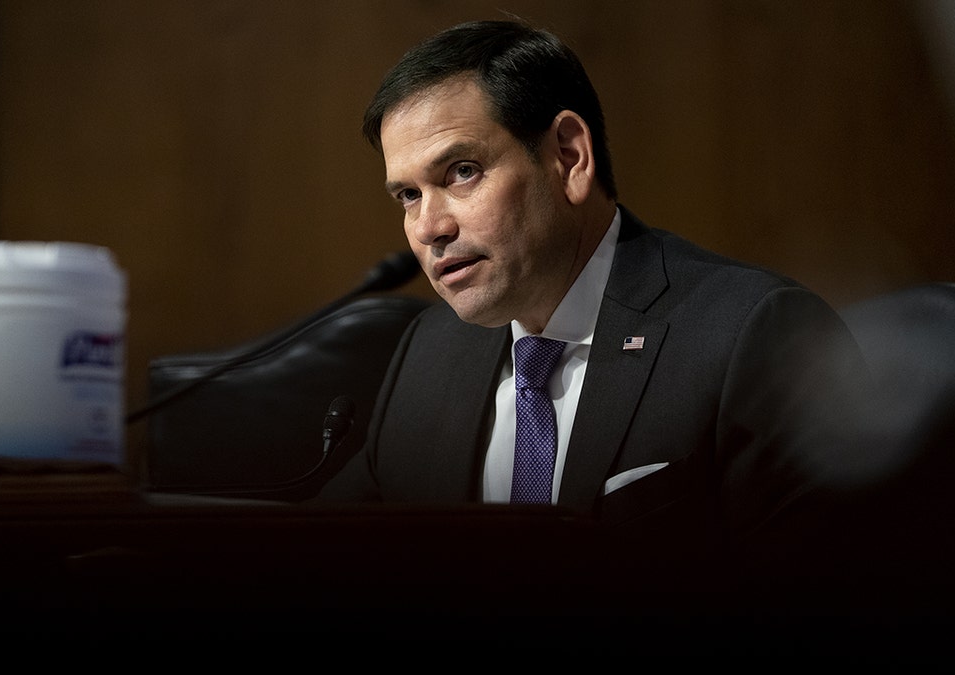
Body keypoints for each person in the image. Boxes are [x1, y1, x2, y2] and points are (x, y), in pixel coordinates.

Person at [317, 19, 868, 575]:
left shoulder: (751, 336)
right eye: (409, 195)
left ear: (569, 157)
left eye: (462, 172)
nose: (429, 227)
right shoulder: (429, 356)